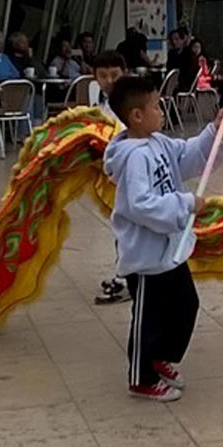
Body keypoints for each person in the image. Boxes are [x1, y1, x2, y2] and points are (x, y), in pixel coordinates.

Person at [104, 75, 223, 400]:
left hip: (170, 250)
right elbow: (141, 205)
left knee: (185, 305)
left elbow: (188, 155)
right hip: (146, 256)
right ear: (137, 115)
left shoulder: (158, 143)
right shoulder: (135, 157)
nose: (162, 111)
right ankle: (141, 377)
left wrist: (214, 131)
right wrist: (186, 204)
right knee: (149, 319)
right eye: (156, 106)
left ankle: (161, 357)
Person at [89, 52, 132, 306]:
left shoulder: (131, 104)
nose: (109, 81)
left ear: (124, 73)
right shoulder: (100, 103)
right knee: (121, 227)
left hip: (132, 175)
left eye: (114, 75)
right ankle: (125, 273)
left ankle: (126, 278)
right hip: (115, 176)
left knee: (127, 228)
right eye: (103, 76)